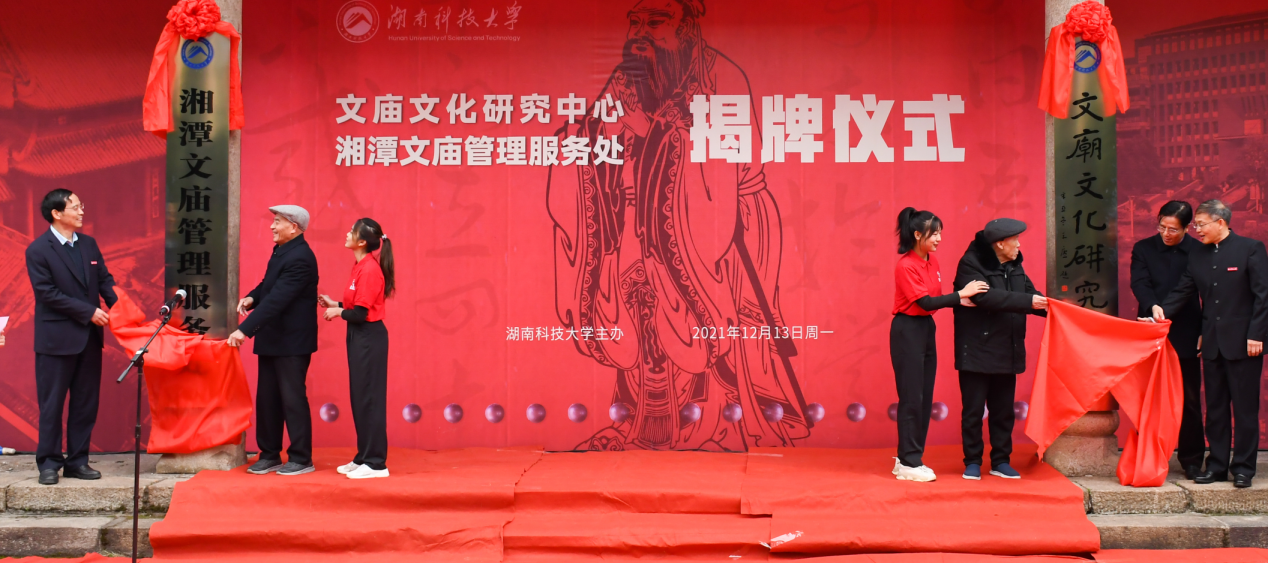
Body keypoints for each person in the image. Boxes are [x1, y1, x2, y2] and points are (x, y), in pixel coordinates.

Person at [1153, 200, 1268, 488]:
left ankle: (1243, 469)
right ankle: (1216, 465)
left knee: (1244, 409)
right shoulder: (1198, 255)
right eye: (1196, 225)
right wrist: (1159, 314)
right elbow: (1183, 291)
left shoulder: (1250, 249)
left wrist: (1257, 334)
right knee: (1215, 409)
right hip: (1212, 343)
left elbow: (1263, 296)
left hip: (1245, 343)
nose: (1197, 230)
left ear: (1221, 222)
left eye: (1201, 224)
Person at [24, 189, 117, 486]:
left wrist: (123, 309)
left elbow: (104, 281)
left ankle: (77, 461)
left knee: (85, 403)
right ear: (56, 213)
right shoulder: (38, 250)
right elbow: (47, 293)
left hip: (89, 338)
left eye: (81, 206)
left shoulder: (88, 244)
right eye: (75, 207)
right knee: (51, 404)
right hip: (56, 339)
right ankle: (49, 463)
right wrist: (88, 312)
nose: (81, 212)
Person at [890, 207, 989, 482]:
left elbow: (934, 301)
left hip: (926, 328)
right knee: (911, 397)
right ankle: (908, 462)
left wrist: (961, 299)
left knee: (923, 397)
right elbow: (924, 302)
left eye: (940, 233)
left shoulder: (932, 262)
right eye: (934, 234)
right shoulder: (905, 265)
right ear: (917, 234)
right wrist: (960, 295)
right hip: (907, 330)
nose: (939, 239)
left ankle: (910, 458)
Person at [227, 205, 319, 476]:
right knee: (268, 399)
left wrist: (245, 329)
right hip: (273, 338)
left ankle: (301, 458)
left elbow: (278, 299)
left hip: (292, 342)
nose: (272, 226)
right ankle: (269, 454)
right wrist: (252, 297)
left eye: (277, 222)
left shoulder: (301, 257)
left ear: (294, 227)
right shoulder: (283, 250)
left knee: (292, 399)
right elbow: (269, 286)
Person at [952, 218, 1047, 481]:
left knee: (1003, 411)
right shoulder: (971, 263)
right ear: (1000, 243)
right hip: (976, 349)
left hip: (1007, 347)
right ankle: (972, 461)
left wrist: (1056, 309)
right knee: (973, 411)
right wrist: (1030, 301)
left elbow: (1032, 296)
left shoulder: (1015, 267)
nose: (1018, 245)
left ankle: (1001, 461)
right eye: (1015, 240)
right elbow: (985, 297)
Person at [1130, 201, 1205, 479]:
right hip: (1150, 329)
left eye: (1173, 229)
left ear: (1187, 228)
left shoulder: (1199, 251)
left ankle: (1192, 459)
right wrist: (1152, 306)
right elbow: (1139, 282)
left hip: (1187, 330)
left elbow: (1204, 292)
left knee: (1189, 398)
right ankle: (1147, 457)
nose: (1166, 233)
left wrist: (1204, 330)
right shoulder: (1143, 248)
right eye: (1162, 226)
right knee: (1148, 397)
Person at [319, 219, 394, 480]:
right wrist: (336, 304)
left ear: (362, 242)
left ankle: (376, 464)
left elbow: (361, 314)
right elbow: (357, 305)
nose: (347, 233)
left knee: (370, 399)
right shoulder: (360, 265)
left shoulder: (370, 269)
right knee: (360, 398)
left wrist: (338, 313)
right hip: (359, 336)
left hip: (369, 338)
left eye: (352, 231)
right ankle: (363, 457)